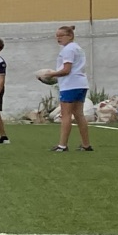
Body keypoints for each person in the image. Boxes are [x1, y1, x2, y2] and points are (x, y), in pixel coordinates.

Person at [42, 24, 92, 152]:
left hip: (70, 85)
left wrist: (51, 74)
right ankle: (86, 145)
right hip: (81, 83)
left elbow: (66, 70)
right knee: (79, 114)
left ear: (70, 36)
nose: (58, 38)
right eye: (57, 36)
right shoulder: (78, 48)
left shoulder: (68, 50)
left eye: (61, 36)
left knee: (66, 115)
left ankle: (62, 145)